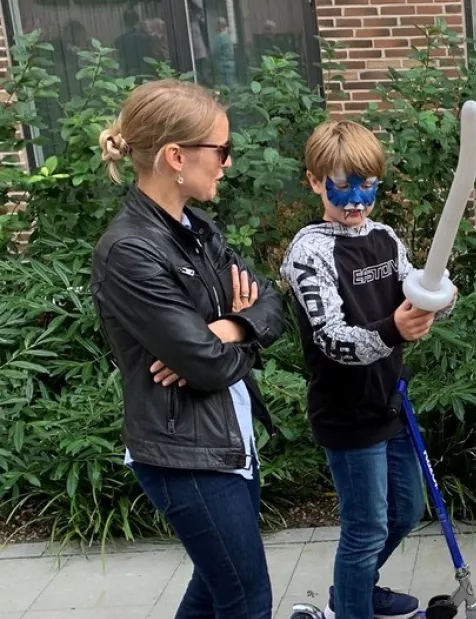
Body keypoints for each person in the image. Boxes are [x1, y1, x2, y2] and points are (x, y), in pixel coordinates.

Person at [91, 79, 285, 619]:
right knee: (246, 599)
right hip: (186, 456)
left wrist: (233, 328)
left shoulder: (196, 229)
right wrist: (220, 339)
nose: (227, 162)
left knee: (214, 589)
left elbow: (270, 303)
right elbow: (204, 364)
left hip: (226, 439)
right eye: (220, 150)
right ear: (175, 156)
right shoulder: (128, 250)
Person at [280, 119, 455, 619]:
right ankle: (352, 607)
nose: (355, 201)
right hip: (345, 410)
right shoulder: (309, 250)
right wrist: (396, 329)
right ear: (315, 181)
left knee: (405, 510)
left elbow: (415, 290)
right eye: (341, 187)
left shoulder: (383, 237)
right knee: (366, 528)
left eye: (367, 186)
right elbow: (332, 339)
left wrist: (439, 296)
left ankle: (354, 589)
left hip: (390, 402)